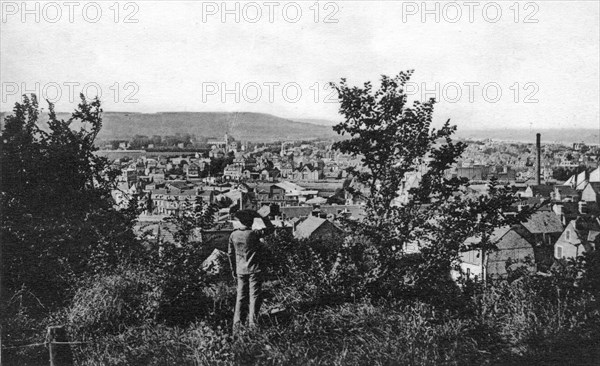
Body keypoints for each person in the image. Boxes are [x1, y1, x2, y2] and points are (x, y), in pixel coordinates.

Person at [228, 209, 274, 330]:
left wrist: (233, 269)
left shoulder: (233, 235)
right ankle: (253, 324)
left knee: (240, 297)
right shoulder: (254, 234)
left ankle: (237, 325)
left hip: (240, 270)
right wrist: (264, 217)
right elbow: (271, 229)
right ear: (251, 221)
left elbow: (230, 254)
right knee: (254, 297)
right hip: (255, 269)